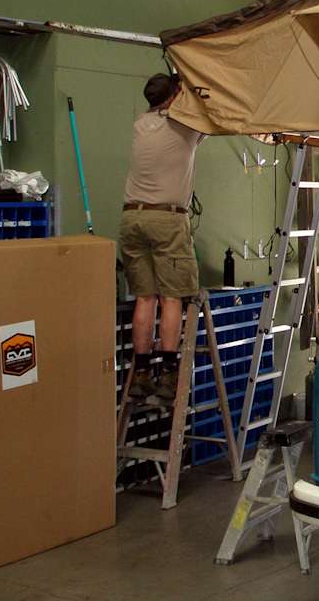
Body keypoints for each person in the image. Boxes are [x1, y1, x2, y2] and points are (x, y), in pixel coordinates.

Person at [119, 73, 205, 402]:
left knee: (145, 297)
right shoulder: (185, 126)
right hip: (166, 219)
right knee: (172, 298)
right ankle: (169, 373)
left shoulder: (141, 124)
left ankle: (140, 372)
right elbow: (210, 115)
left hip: (132, 218)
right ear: (172, 98)